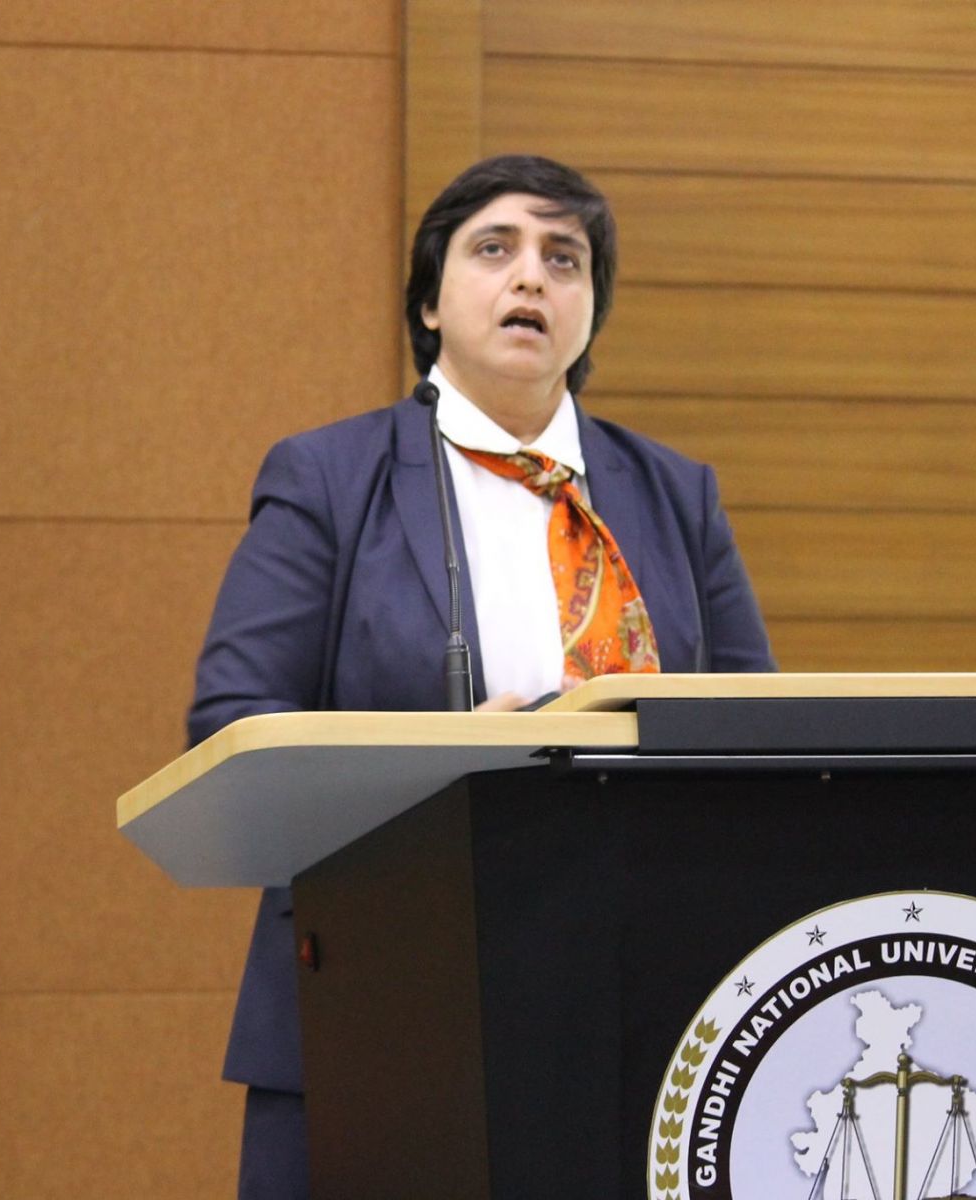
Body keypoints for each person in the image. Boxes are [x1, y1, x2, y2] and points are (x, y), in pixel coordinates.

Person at [186, 154, 775, 1198]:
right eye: (494, 249)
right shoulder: (330, 480)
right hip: (381, 995)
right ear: (430, 302)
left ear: (590, 311)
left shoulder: (677, 498)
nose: (532, 277)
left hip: (636, 1002)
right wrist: (439, 756)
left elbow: (756, 737)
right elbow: (232, 725)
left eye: (565, 259)